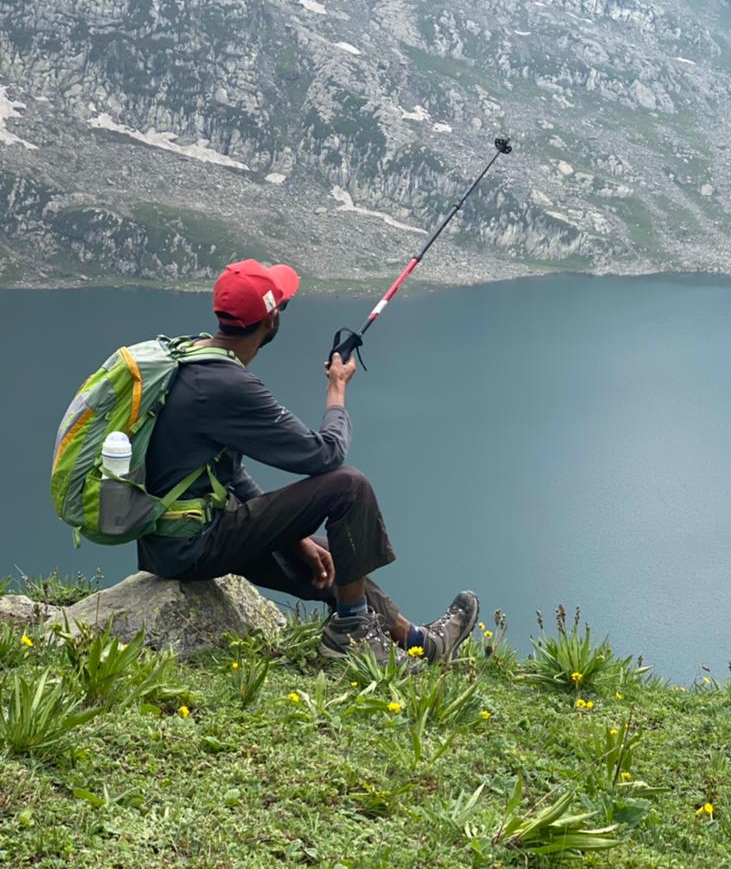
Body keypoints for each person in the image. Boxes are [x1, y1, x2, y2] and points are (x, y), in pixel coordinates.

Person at [137, 259, 477, 665]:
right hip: (192, 544)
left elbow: (230, 472)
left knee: (329, 557)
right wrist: (337, 389)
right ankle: (349, 633)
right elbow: (325, 455)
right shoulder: (226, 386)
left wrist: (294, 538)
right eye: (282, 306)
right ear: (271, 319)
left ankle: (421, 643)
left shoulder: (193, 358)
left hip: (171, 539)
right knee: (349, 486)